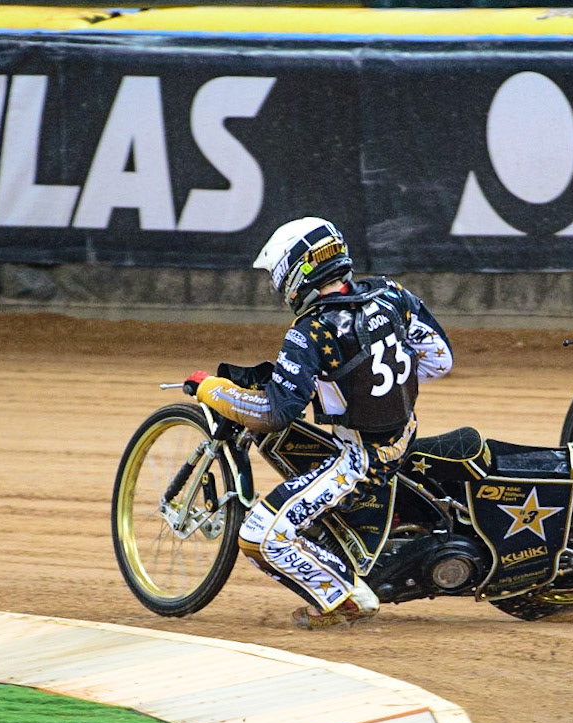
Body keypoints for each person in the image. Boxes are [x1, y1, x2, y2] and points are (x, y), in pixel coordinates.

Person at [182, 217, 453, 629]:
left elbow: (275, 414)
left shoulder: (310, 331)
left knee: (257, 534)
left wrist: (211, 390)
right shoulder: (389, 293)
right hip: (405, 433)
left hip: (361, 461)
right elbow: (440, 359)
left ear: (296, 274)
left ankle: (342, 596)